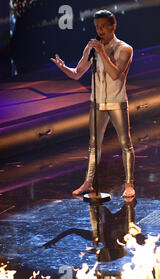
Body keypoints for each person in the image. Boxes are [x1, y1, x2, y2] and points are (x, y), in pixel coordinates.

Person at [51, 10, 135, 198]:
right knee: (93, 145)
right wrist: (64, 68)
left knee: (125, 143)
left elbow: (116, 75)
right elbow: (77, 73)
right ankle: (88, 183)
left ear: (113, 26)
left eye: (103, 26)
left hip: (117, 102)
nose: (100, 30)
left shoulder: (124, 49)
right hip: (96, 103)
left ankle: (129, 184)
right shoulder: (91, 47)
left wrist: (102, 52)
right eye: (97, 27)